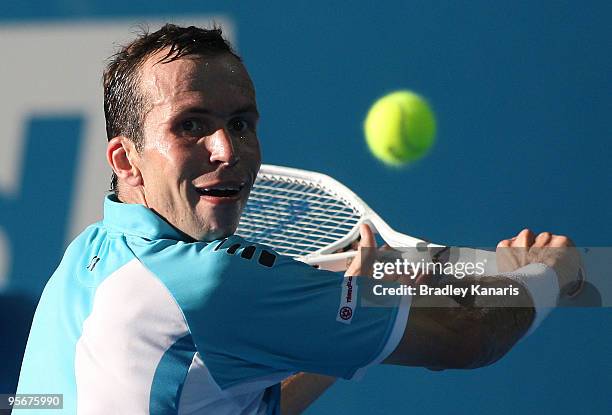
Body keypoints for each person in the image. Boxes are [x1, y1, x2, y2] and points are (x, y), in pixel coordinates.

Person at [16, 24, 583, 414]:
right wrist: (546, 276)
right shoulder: (210, 285)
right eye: (190, 125)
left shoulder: (82, 262)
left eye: (240, 123)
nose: (227, 149)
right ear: (125, 159)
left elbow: (217, 397)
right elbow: (468, 336)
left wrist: (340, 334)